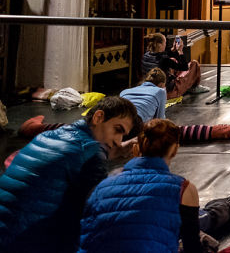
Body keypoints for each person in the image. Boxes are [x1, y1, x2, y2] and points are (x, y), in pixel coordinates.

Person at [78, 118, 230, 253]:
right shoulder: (182, 189)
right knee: (209, 217)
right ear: (175, 150)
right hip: (179, 221)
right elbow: (192, 248)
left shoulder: (103, 185)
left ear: (135, 149)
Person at [0, 96, 140, 251]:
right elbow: (100, 209)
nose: (118, 141)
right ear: (98, 117)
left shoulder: (47, 136)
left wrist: (113, 153)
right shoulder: (90, 153)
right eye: (117, 129)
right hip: (29, 243)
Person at [17, 68, 230, 144]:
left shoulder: (128, 90)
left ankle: (33, 128)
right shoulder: (161, 92)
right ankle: (226, 131)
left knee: (67, 128)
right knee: (175, 132)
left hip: (117, 119)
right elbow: (162, 119)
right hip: (135, 122)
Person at [142, 32, 203, 99]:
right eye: (164, 43)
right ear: (159, 45)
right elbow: (184, 67)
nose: (165, 45)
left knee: (173, 59)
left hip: (151, 87)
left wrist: (173, 49)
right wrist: (180, 51)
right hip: (168, 90)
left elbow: (162, 56)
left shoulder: (146, 55)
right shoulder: (164, 59)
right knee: (194, 64)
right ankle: (194, 87)